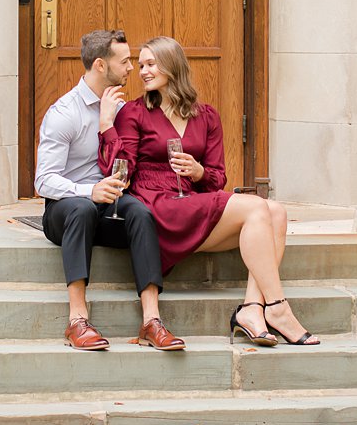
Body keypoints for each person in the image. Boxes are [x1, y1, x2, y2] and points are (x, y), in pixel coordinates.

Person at [100, 36, 319, 347]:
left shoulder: (206, 116)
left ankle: (253, 309)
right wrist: (107, 124)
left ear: (172, 67)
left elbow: (216, 180)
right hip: (156, 203)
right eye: (140, 66)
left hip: (191, 199)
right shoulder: (134, 113)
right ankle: (278, 307)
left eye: (150, 64)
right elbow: (121, 173)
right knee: (258, 208)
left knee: (276, 213)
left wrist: (198, 171)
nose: (143, 72)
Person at [35, 29, 185, 352]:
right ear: (101, 66)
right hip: (65, 210)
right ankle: (77, 319)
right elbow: (43, 181)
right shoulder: (64, 113)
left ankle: (151, 320)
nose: (133, 68)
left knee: (141, 213)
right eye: (126, 61)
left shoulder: (122, 109)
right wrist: (89, 191)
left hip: (107, 207)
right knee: (81, 208)